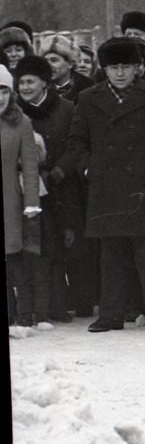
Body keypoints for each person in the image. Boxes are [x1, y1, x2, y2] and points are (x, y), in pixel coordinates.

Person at [64, 37, 145, 334]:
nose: (119, 73)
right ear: (104, 69)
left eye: (125, 67)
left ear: (138, 67)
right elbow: (77, 141)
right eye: (113, 67)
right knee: (111, 255)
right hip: (106, 186)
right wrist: (89, 167)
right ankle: (110, 315)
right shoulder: (89, 98)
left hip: (142, 187)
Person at [14, 55, 81, 324]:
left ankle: (59, 304)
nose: (25, 87)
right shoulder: (14, 112)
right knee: (34, 248)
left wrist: (61, 169)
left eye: (30, 81)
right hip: (27, 187)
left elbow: (77, 143)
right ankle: (33, 307)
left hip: (61, 185)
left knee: (59, 246)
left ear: (44, 82)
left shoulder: (66, 108)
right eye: (21, 83)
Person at [2, 64, 43, 326]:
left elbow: (29, 166)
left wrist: (31, 203)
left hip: (10, 202)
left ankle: (23, 313)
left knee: (16, 259)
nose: (0, 98)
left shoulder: (20, 122)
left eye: (4, 92)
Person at [38, 34, 95, 105]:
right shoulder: (39, 86)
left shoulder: (88, 86)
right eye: (45, 61)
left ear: (70, 63)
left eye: (54, 60)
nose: (48, 65)